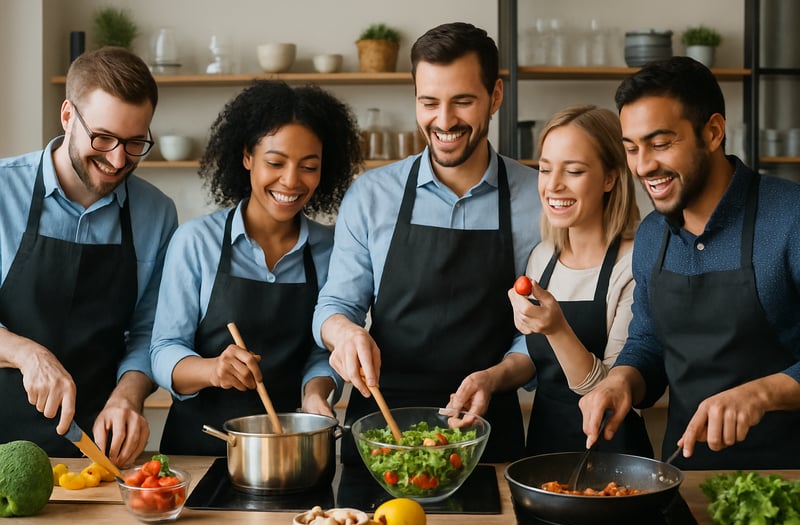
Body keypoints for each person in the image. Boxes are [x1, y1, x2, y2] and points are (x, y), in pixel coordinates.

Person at [313, 22, 541, 464]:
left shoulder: (537, 198)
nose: (444, 120)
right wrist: (344, 333)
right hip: (380, 431)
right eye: (429, 102)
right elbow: (336, 304)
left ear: (495, 96)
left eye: (463, 101)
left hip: (486, 430)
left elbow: (539, 331)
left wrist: (495, 377)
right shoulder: (371, 195)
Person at [578, 56, 800, 470]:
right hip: (683, 477)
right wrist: (622, 379)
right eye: (632, 148)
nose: (643, 165)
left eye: (661, 144)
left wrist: (762, 393)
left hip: (787, 478)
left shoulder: (791, 217)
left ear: (713, 132)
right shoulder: (651, 236)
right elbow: (649, 342)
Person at [150, 80, 362, 455]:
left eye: (308, 166)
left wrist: (317, 394)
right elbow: (164, 350)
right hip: (201, 450)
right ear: (247, 156)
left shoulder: (331, 249)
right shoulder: (195, 242)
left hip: (292, 452)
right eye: (275, 163)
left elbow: (321, 353)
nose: (291, 181)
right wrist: (212, 370)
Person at [0, 47, 178, 466]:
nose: (117, 160)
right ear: (67, 116)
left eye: (135, 143)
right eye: (103, 138)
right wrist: (27, 353)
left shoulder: (156, 214)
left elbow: (149, 332)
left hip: (95, 451)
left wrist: (129, 396)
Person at [508, 105, 653, 458]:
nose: (553, 185)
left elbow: (613, 392)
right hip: (542, 448)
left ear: (609, 179)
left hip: (614, 453)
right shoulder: (542, 257)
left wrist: (557, 329)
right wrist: (490, 378)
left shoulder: (634, 263)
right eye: (545, 169)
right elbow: (536, 358)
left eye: (573, 171)